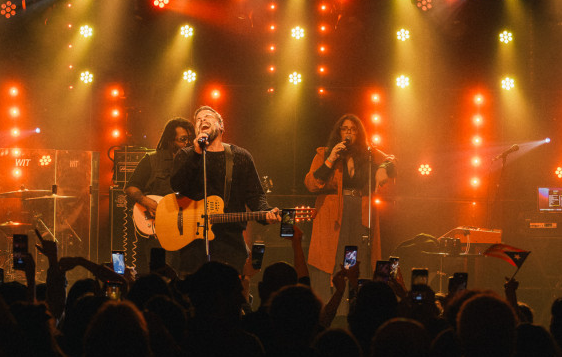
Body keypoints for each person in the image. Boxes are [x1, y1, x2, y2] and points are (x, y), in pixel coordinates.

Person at [169, 105, 280, 273]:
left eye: (208, 117)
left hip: (230, 242)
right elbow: (177, 186)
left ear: (221, 126)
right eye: (198, 120)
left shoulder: (240, 156)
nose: (202, 120)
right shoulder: (186, 155)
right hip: (193, 242)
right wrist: (197, 153)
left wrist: (266, 212)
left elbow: (255, 194)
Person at [303, 114, 396, 291]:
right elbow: (311, 184)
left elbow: (390, 160)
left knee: (355, 255)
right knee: (335, 255)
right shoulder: (324, 153)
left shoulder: (368, 154)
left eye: (353, 130)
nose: (349, 133)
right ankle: (335, 296)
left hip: (359, 211)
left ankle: (353, 295)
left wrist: (383, 168)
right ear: (339, 132)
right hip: (334, 213)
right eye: (345, 129)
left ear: (359, 134)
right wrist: (331, 159)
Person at [125, 117, 195, 274]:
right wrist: (146, 201)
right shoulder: (152, 160)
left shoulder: (194, 165)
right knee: (161, 275)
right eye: (183, 139)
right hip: (158, 232)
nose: (188, 143)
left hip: (186, 231)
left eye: (190, 139)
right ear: (171, 141)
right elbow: (131, 187)